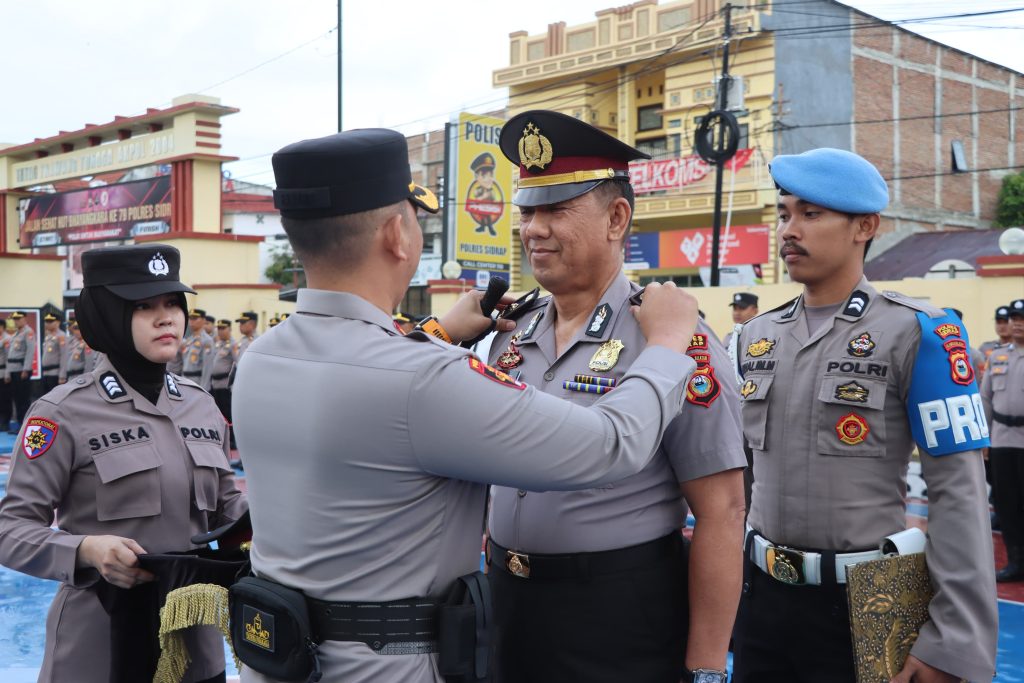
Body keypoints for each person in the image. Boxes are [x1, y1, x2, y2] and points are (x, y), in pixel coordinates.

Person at [232, 128, 703, 683]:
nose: (535, 229)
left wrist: (434, 335)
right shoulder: (425, 378)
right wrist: (667, 345)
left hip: (280, 659)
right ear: (397, 236)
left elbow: (366, 381)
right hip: (387, 667)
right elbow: (609, 446)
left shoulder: (260, 358)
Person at [487, 109, 746, 683]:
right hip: (507, 607)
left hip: (616, 617)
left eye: (556, 210)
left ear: (616, 218)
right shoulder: (510, 333)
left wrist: (705, 668)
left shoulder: (674, 338)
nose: (533, 229)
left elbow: (723, 511)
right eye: (527, 211)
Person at [732, 148, 997, 683]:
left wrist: (953, 640)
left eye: (811, 214)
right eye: (784, 214)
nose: (789, 230)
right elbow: (739, 478)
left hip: (868, 604)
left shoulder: (920, 333)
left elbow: (959, 492)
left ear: (865, 227)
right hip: (760, 599)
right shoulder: (755, 337)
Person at [0, 244, 247, 683]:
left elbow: (229, 511)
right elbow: (10, 529)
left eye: (172, 303)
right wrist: (85, 550)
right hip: (100, 646)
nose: (166, 318)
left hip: (195, 645)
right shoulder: (61, 412)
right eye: (143, 306)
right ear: (107, 316)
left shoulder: (201, 405)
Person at [982, 298, 1024, 582]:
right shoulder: (997, 357)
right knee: (1007, 506)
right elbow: (985, 398)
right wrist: (984, 438)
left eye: (1022, 319)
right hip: (1001, 441)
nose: (1016, 323)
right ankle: (1016, 562)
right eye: (1014, 318)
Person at [5, 310, 36, 433]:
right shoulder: (17, 334)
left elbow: (30, 351)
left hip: (22, 370)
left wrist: (26, 369)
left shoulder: (28, 332)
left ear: (24, 319)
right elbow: (10, 355)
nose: (16, 321)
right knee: (17, 399)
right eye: (15, 319)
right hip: (14, 370)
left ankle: (25, 426)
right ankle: (19, 425)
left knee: (23, 400)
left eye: (18, 319)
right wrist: (8, 372)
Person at [181, 308, 215, 390]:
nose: (191, 322)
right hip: (185, 380)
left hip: (197, 382)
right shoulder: (189, 340)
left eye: (195, 318)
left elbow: (207, 367)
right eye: (190, 318)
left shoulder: (207, 340)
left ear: (203, 320)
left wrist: (204, 388)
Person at [40, 312, 68, 394]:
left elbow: (64, 356)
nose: (47, 323)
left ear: (58, 323)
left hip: (55, 373)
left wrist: (62, 375)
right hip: (46, 373)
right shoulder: (48, 336)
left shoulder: (61, 336)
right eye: (46, 321)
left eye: (50, 321)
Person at [0, 319, 13, 432]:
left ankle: (5, 422)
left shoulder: (7, 339)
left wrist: (7, 373)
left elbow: (9, 357)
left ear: (2, 327)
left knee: (4, 399)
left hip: (3, 372)